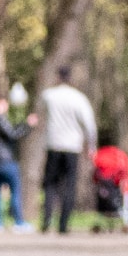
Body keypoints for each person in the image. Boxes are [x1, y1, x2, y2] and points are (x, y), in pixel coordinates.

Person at [38, 67, 97, 234]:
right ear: (70, 78)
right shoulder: (78, 98)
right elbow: (89, 124)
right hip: (72, 146)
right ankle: (63, 224)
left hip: (53, 144)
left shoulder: (49, 95)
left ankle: (47, 219)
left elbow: (40, 115)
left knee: (50, 184)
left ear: (58, 77)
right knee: (69, 185)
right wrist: (91, 146)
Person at [0, 96, 38, 233]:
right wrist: (27, 125)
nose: (7, 107)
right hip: (5, 160)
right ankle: (19, 222)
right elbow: (12, 135)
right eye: (5, 104)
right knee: (15, 191)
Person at [91, 130, 128, 232]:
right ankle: (127, 221)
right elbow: (125, 173)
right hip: (117, 187)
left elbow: (95, 175)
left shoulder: (98, 155)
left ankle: (121, 220)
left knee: (113, 191)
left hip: (105, 189)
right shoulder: (120, 155)